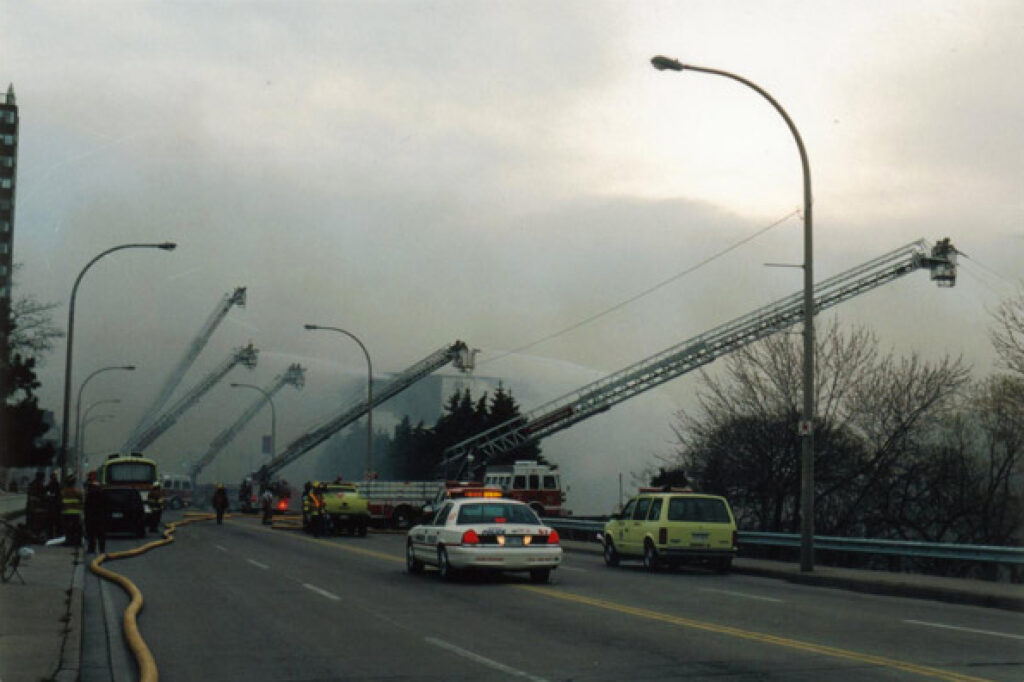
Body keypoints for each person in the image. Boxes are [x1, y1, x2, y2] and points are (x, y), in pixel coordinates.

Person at [84, 475, 108, 554]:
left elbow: (86, 506)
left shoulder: (90, 494)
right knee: (101, 534)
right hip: (100, 517)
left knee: (91, 534)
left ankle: (92, 548)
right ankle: (102, 549)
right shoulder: (101, 493)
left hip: (91, 517)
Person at [60, 475, 84, 547]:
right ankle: (77, 542)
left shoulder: (63, 492)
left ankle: (68, 541)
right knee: (77, 529)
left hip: (66, 513)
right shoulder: (77, 492)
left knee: (67, 529)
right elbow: (82, 502)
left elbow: (59, 502)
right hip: (76, 513)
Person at [45, 471, 62, 538]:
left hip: (50, 506)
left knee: (50, 522)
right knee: (57, 522)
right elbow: (59, 495)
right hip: (56, 507)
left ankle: (50, 535)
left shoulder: (49, 485)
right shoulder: (57, 484)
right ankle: (57, 535)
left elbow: (47, 493)